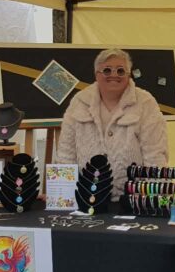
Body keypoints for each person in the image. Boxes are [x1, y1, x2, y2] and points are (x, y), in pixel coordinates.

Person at [57, 49, 168, 200]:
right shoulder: (79, 102)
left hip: (133, 199)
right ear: (97, 74)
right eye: (107, 70)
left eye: (121, 71)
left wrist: (152, 199)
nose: (114, 75)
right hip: (86, 199)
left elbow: (155, 155)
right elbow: (66, 154)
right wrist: (61, 195)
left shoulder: (146, 103)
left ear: (129, 75)